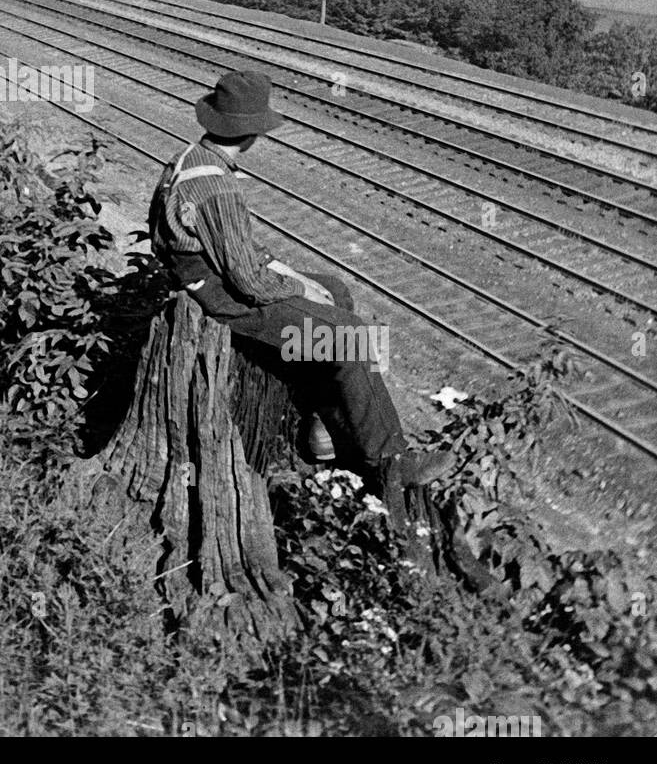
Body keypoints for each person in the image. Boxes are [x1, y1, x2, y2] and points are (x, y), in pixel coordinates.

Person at [147, 64, 452, 503]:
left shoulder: (193, 159)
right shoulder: (216, 187)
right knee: (351, 337)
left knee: (337, 290)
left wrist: (289, 272)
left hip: (212, 276)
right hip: (222, 297)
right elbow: (250, 281)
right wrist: (295, 288)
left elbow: (237, 248)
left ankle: (324, 429)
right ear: (253, 133)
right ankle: (391, 461)